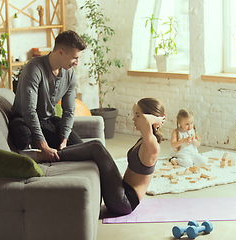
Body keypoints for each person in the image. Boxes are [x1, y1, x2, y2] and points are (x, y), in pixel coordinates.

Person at [23, 98, 166, 216]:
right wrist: (141, 110)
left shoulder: (153, 146)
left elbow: (147, 120)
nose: (134, 118)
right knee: (95, 147)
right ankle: (50, 154)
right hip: (121, 193)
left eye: (138, 116)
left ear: (150, 119)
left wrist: (157, 118)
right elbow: (140, 111)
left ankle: (45, 156)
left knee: (97, 148)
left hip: (124, 202)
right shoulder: (144, 140)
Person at [9, 30, 87, 163]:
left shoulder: (70, 74)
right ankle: (37, 152)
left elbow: (69, 111)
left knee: (78, 147)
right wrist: (43, 145)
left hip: (47, 120)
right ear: (61, 52)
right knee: (22, 137)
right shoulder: (34, 68)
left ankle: (45, 151)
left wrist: (64, 140)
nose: (77, 63)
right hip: (23, 118)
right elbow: (28, 110)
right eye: (75, 58)